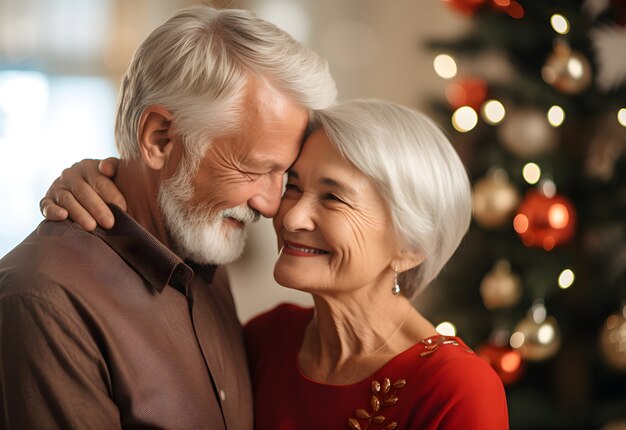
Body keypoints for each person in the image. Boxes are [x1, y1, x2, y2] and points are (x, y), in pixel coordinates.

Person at [41, 100, 509, 429]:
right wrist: (99, 177)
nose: (291, 216)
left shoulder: (457, 388)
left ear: (410, 246)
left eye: (333, 197)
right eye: (293, 186)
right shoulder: (269, 339)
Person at [0, 6, 336, 430]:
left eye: (283, 174)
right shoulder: (45, 301)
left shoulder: (205, 257)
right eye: (253, 169)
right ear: (160, 139)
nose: (271, 205)